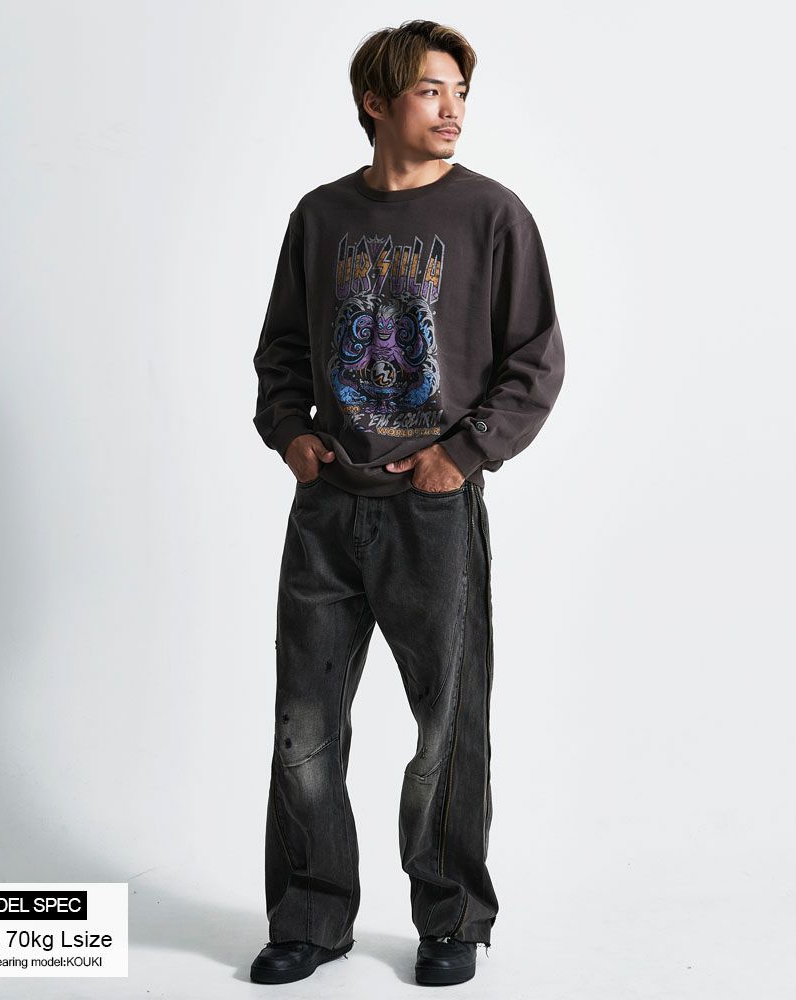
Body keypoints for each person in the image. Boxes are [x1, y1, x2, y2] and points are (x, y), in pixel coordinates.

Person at [248, 19, 565, 987]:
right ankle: (311, 917)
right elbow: (282, 348)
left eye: (461, 92)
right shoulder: (320, 216)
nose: (453, 109)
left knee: (446, 727)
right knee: (304, 727)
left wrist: (459, 457)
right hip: (326, 513)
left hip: (433, 514)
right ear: (377, 102)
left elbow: (534, 360)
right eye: (432, 90)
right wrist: (290, 433)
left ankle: (451, 915)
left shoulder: (492, 214)